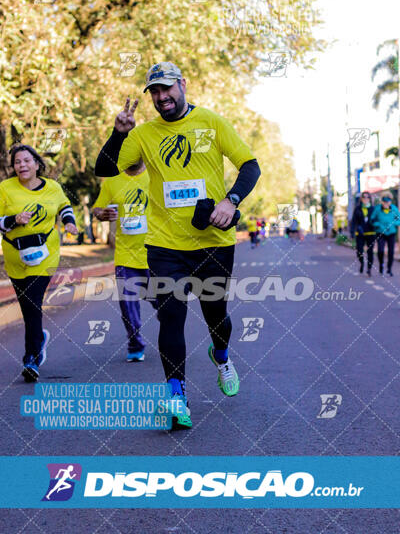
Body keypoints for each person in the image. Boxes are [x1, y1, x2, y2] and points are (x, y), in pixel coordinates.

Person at [95, 61, 261, 429]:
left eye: (166, 88)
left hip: (213, 241)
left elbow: (250, 165)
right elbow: (105, 169)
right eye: (154, 91)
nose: (161, 97)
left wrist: (230, 200)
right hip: (165, 245)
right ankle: (176, 395)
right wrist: (118, 133)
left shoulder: (212, 122)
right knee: (171, 315)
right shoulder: (144, 134)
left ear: (183, 84)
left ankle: (221, 354)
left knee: (216, 315)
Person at [0, 144, 78, 382]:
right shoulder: (5, 188)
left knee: (33, 304)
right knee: (27, 306)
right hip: (16, 257)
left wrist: (70, 223)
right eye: (17, 162)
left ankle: (30, 358)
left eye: (26, 161)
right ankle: (39, 339)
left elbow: (64, 206)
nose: (21, 165)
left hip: (45, 255)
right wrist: (14, 219)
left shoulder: (52, 187)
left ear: (37, 164)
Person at [93, 161, 158, 362]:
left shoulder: (157, 174)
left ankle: (169, 335)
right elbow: (97, 208)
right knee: (127, 304)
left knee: (164, 304)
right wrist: (101, 214)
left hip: (156, 252)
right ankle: (135, 344)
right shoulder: (112, 180)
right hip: (125, 254)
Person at [371, 192, 400, 276]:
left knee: (391, 252)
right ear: (382, 202)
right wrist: (378, 225)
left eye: (388, 202)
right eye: (384, 201)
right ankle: (381, 265)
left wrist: (394, 223)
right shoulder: (377, 209)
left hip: (391, 233)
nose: (386, 203)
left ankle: (389, 269)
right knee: (380, 250)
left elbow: (399, 219)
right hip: (381, 233)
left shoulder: (394, 209)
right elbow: (372, 220)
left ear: (390, 202)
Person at [350, 191, 375, 276]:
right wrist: (352, 232)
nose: (366, 199)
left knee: (370, 252)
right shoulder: (357, 209)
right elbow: (353, 221)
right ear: (361, 199)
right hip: (360, 234)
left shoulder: (373, 209)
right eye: (364, 197)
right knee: (359, 251)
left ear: (370, 199)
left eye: (367, 197)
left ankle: (369, 268)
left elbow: (377, 220)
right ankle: (362, 263)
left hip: (371, 233)